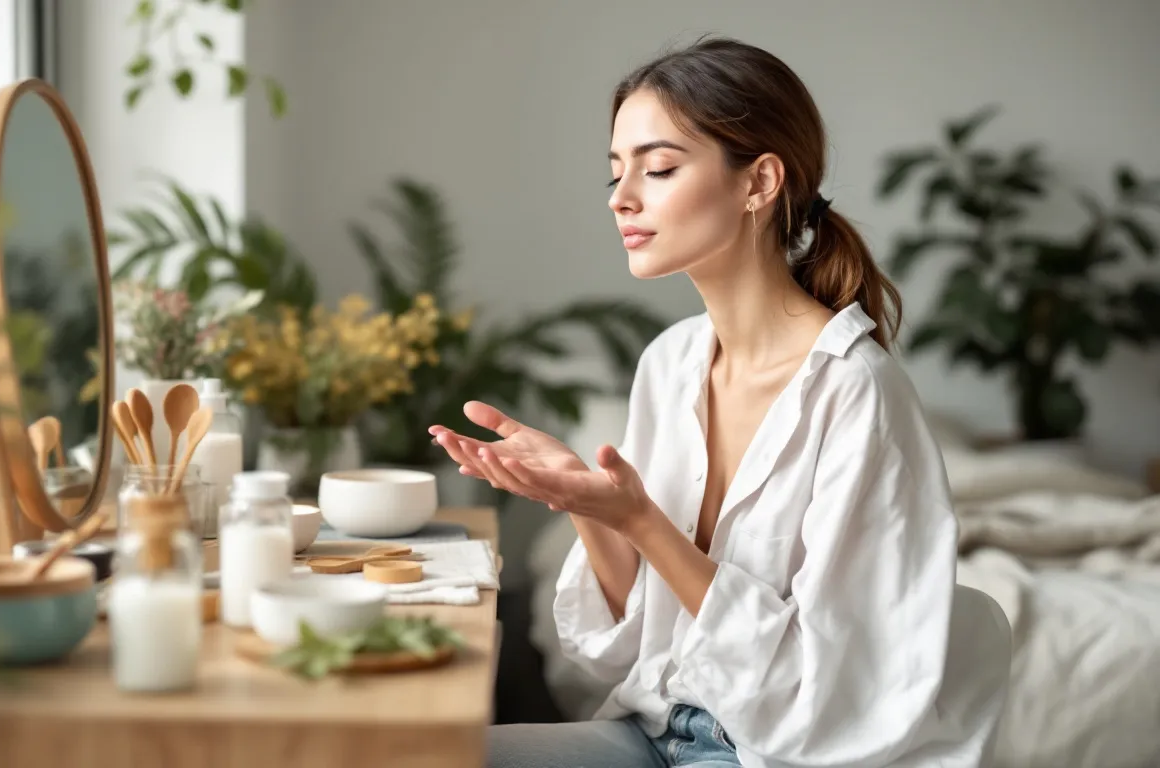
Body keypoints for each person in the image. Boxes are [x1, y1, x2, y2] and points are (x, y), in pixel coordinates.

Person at [429, 36, 1011, 768]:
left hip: (775, 755)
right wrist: (586, 502)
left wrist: (643, 519)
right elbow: (626, 649)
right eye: (615, 174)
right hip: (653, 729)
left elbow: (832, 695)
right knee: (411, 754)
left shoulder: (857, 392)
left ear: (759, 182)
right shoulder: (670, 362)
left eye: (660, 168)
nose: (622, 198)